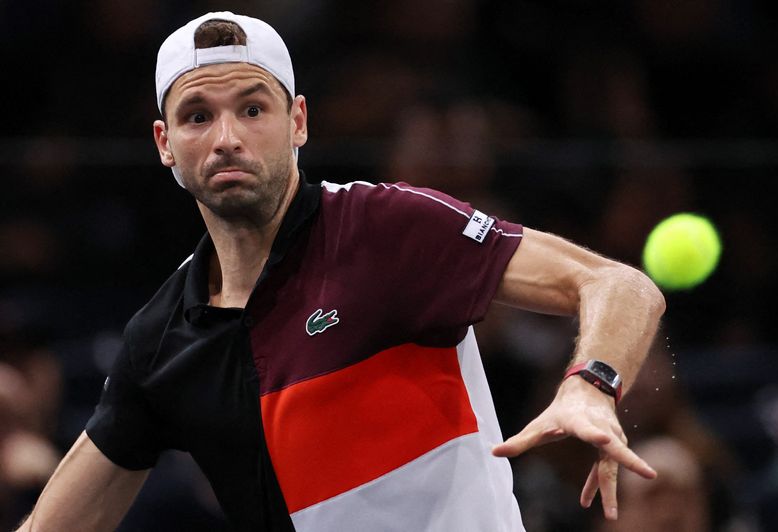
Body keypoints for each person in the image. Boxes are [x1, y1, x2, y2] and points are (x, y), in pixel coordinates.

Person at [16, 11, 665, 532]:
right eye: (197, 116)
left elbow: (619, 284)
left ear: (297, 122)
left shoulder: (386, 229)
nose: (226, 138)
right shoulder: (159, 341)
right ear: (164, 144)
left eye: (252, 108)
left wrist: (591, 384)